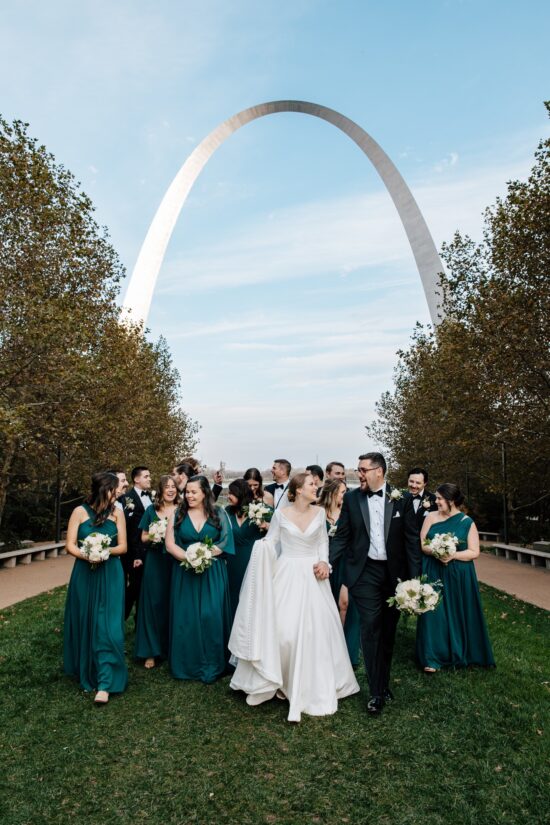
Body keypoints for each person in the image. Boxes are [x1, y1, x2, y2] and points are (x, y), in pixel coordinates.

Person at [229, 472, 360, 722]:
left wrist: (324, 562)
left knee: (316, 630)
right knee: (283, 630)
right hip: (287, 572)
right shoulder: (280, 514)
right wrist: (261, 547)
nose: (316, 487)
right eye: (312, 484)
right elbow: (272, 541)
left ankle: (311, 681)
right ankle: (277, 679)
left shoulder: (319, 513)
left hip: (313, 576)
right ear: (298, 489)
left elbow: (323, 542)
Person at [330, 452, 420, 715]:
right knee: (370, 628)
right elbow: (342, 537)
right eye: (358, 470)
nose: (358, 474)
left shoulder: (402, 499)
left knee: (388, 631)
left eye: (362, 470)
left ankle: (382, 681)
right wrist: (328, 561)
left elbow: (412, 541)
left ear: (378, 471)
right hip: (365, 573)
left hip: (394, 575)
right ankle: (376, 692)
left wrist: (414, 580)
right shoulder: (352, 498)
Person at [63, 471, 128, 704]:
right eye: (114, 489)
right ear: (104, 489)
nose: (118, 492)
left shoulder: (118, 513)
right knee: (86, 619)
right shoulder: (79, 512)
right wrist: (88, 555)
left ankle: (106, 682)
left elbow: (122, 547)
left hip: (111, 573)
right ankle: (88, 669)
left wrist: (103, 551)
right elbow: (69, 545)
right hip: (84, 573)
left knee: (108, 626)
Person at [416, 483, 495, 672]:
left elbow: (474, 551)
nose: (436, 502)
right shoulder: (431, 517)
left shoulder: (466, 522)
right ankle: (431, 657)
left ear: (451, 501)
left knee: (458, 611)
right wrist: (435, 551)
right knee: (433, 612)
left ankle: (460, 652)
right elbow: (423, 543)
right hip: (433, 569)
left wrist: (453, 555)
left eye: (440, 499)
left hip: (458, 573)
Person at [165, 475, 235, 683]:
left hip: (212, 572)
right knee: (186, 617)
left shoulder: (218, 513)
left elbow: (225, 540)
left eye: (194, 491)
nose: (189, 495)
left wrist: (205, 555)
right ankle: (187, 664)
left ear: (205, 492)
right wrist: (189, 558)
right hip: (185, 572)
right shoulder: (177, 513)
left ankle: (213, 662)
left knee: (211, 614)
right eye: (187, 492)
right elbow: (170, 544)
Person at [135, 474, 180, 669]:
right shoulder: (151, 510)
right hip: (155, 561)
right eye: (167, 487)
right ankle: (150, 651)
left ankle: (171, 648)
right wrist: (155, 535)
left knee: (173, 602)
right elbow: (142, 537)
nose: (171, 490)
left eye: (174, 487)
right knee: (153, 604)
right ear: (160, 490)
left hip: (175, 561)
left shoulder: (182, 510)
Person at [319, 479, 360, 667]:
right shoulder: (318, 512)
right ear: (331, 493)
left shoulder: (349, 511)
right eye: (342, 492)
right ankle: (324, 647)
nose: (345, 495)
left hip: (345, 563)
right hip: (323, 564)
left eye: (346, 491)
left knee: (344, 603)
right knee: (325, 607)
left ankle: (342, 648)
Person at [225, 479, 264, 621]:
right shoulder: (227, 511)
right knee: (233, 596)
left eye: (232, 493)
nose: (228, 496)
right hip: (232, 561)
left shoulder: (260, 509)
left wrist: (266, 526)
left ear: (241, 494)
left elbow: (277, 531)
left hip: (253, 561)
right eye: (228, 492)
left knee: (251, 598)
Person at [121, 466, 152, 623]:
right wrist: (136, 555)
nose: (149, 479)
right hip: (134, 553)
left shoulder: (151, 497)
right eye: (146, 476)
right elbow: (130, 531)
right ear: (136, 479)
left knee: (144, 588)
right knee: (134, 588)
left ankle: (140, 623)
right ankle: (121, 618)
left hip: (150, 551)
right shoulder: (126, 499)